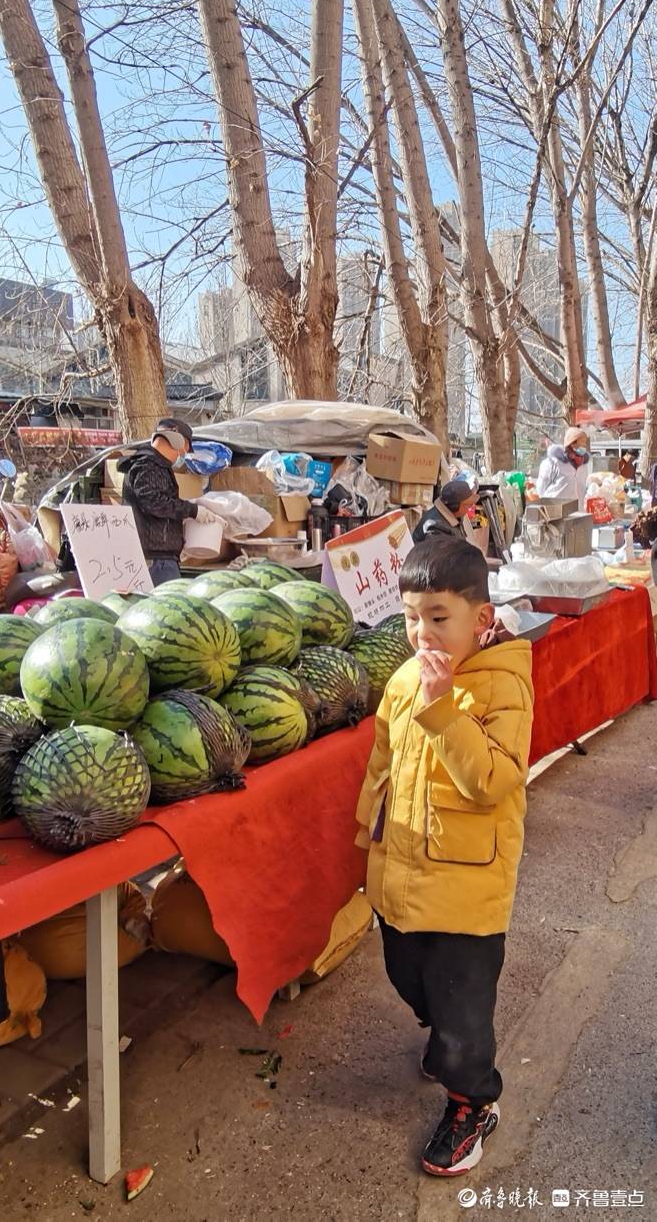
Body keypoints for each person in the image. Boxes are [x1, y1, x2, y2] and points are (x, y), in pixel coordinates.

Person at [354, 539, 534, 1178]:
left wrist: (441, 707)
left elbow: (492, 779)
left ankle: (472, 1101)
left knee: (460, 1017)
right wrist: (365, 841)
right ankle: (446, 1039)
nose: (421, 632)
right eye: (410, 616)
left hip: (466, 892)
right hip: (401, 872)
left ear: (481, 620)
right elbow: (382, 764)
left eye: (438, 616)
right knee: (409, 978)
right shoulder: (407, 677)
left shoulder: (503, 686)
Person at [118, 417, 219, 585]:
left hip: (160, 558)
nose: (184, 454)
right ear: (177, 440)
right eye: (186, 448)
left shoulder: (156, 466)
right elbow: (153, 501)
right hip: (157, 560)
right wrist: (191, 510)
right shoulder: (148, 466)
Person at [412, 479, 478, 543]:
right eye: (468, 504)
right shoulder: (436, 528)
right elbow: (443, 553)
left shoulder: (453, 516)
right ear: (455, 507)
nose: (470, 506)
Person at [535, 427, 590, 502]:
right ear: (571, 443)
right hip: (555, 510)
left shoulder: (583, 465)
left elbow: (584, 488)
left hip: (577, 511)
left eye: (585, 443)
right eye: (581, 442)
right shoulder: (552, 463)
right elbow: (541, 489)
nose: (584, 446)